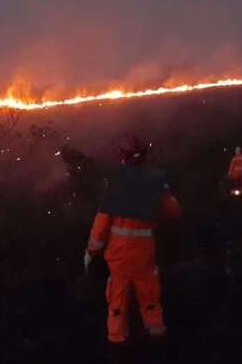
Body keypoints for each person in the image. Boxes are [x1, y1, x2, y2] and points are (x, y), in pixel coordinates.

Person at [84, 138, 182, 344]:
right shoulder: (154, 183)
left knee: (117, 305)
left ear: (123, 157)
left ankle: (117, 343)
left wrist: (91, 251)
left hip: (119, 258)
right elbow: (173, 211)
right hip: (145, 256)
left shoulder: (115, 185)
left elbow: (101, 225)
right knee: (150, 302)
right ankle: (157, 339)